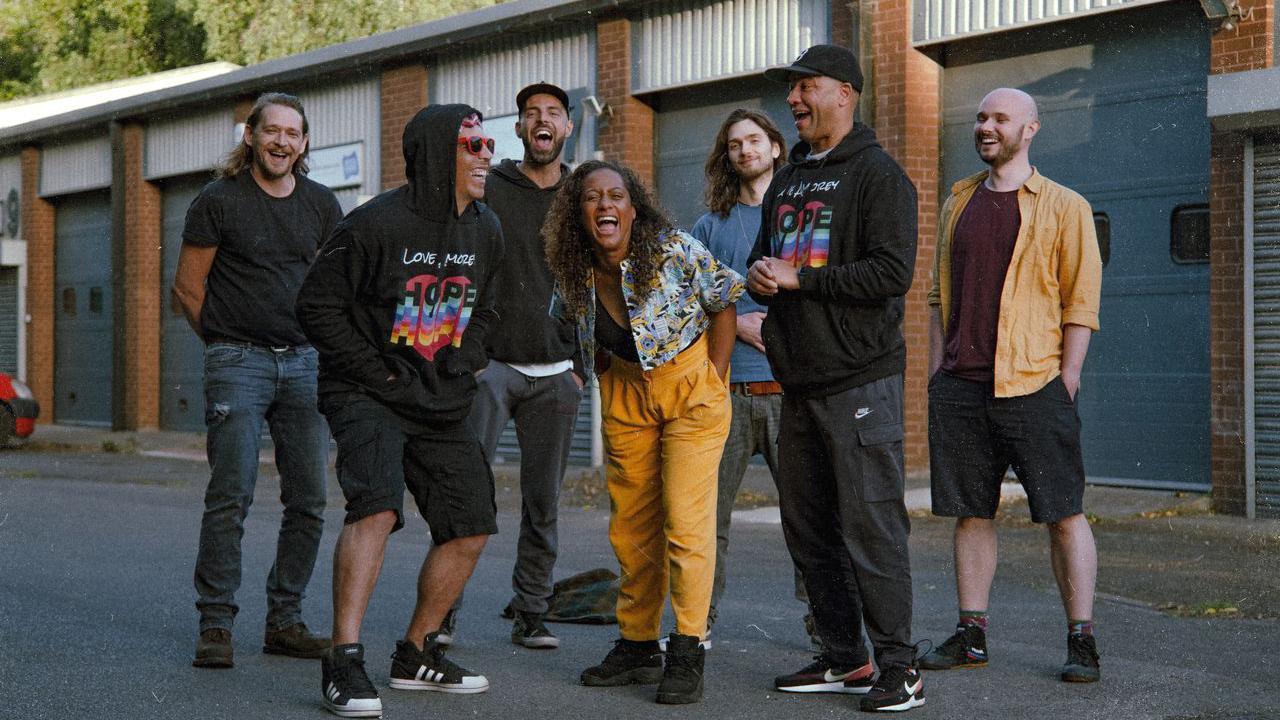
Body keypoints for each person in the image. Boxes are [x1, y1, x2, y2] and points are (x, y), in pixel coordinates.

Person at [296, 104, 502, 718]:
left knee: (471, 523)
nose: (487, 154)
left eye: (489, 143)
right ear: (439, 154)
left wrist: (463, 361)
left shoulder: (486, 228)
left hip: (440, 395)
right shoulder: (374, 224)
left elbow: (488, 309)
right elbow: (316, 307)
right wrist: (379, 371)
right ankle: (344, 658)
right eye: (473, 145)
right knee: (377, 506)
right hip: (367, 392)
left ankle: (416, 652)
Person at [747, 44, 923, 712]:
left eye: (805, 87)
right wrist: (765, 276)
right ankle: (846, 657)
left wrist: (800, 278)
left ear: (845, 92)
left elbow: (891, 273)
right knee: (809, 530)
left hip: (859, 381)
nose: (793, 100)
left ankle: (901, 668)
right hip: (800, 382)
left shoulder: (879, 175)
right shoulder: (790, 178)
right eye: (791, 90)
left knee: (872, 529)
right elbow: (775, 263)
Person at [920, 87, 1103, 684]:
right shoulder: (959, 201)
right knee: (971, 513)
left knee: (1064, 513)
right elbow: (936, 297)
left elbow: (1082, 301)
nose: (985, 126)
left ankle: (1081, 639)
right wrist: (936, 368)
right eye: (980, 116)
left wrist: (1067, 376)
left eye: (999, 117)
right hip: (962, 387)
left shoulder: (1064, 206)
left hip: (1034, 383)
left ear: (1031, 130)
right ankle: (972, 634)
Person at [544, 160, 743, 705]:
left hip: (691, 388)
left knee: (685, 521)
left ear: (634, 208)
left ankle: (686, 645)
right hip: (626, 393)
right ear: (577, 212)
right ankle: (637, 645)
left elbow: (724, 299)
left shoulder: (674, 249)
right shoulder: (573, 269)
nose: (605, 205)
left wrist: (716, 376)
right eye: (592, 198)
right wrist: (603, 371)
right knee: (632, 526)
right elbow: (568, 321)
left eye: (616, 196)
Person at [173, 92, 340, 670]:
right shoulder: (217, 201)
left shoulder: (321, 204)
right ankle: (216, 624)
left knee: (311, 500)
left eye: (294, 134)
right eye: (272, 131)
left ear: (304, 144)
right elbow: (187, 290)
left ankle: (285, 622)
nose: (282, 143)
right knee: (231, 494)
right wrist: (224, 344)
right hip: (238, 362)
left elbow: (332, 288)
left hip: (305, 364)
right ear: (251, 136)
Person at [462, 81, 583, 650]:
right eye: (531, 113)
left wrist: (580, 365)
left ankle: (532, 611)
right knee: (465, 492)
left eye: (553, 113)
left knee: (544, 503)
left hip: (556, 373)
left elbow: (591, 283)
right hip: (493, 370)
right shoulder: (492, 188)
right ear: (518, 129)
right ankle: (442, 618)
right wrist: (474, 358)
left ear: (567, 128)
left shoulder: (582, 194)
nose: (542, 120)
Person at [689, 108, 811, 644]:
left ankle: (825, 628)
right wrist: (734, 323)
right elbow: (683, 307)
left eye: (754, 139)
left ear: (777, 147)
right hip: (727, 393)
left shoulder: (802, 217)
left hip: (793, 394)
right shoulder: (709, 227)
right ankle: (698, 625)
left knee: (808, 520)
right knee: (706, 519)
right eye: (734, 143)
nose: (745, 150)